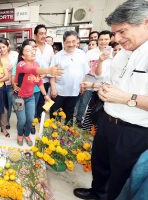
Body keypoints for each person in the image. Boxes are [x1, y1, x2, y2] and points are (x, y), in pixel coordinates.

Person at [74, 1, 148, 199]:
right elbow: (113, 83)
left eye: (122, 32)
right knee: (100, 164)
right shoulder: (123, 53)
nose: (117, 38)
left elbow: (124, 94)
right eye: (115, 33)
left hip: (134, 131)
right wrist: (94, 86)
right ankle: (97, 193)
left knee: (121, 176)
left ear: (145, 23)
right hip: (108, 120)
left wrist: (127, 99)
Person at [13, 39, 63, 146]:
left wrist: (45, 95)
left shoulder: (36, 64)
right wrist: (48, 70)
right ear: (22, 56)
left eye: (32, 49)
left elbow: (39, 81)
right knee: (22, 120)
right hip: (18, 98)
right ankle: (20, 134)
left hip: (30, 97)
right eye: (28, 50)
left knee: (31, 119)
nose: (32, 51)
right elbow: (31, 70)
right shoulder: (21, 65)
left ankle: (27, 135)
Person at [49, 31, 89, 123]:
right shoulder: (57, 56)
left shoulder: (82, 54)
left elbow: (84, 72)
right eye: (68, 42)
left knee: (69, 113)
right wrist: (53, 88)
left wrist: (83, 85)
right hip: (59, 91)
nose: (71, 44)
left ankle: (68, 134)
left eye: (73, 41)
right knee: (55, 112)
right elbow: (52, 75)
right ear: (64, 42)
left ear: (77, 41)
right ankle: (53, 133)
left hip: (74, 91)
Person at [34, 24, 54, 119]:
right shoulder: (32, 47)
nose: (43, 36)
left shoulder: (49, 48)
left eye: (45, 33)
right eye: (41, 33)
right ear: (35, 35)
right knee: (33, 102)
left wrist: (46, 73)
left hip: (45, 80)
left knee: (43, 101)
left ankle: (38, 118)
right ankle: (32, 120)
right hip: (33, 80)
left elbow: (52, 64)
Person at [0, 38, 17, 129]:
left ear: (8, 46)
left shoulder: (15, 55)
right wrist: (5, 71)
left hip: (12, 84)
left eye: (3, 47)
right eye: (0, 48)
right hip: (1, 84)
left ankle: (8, 121)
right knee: (3, 104)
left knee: (10, 104)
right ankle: (4, 121)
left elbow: (19, 67)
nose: (2, 49)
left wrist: (13, 68)